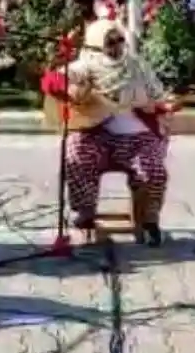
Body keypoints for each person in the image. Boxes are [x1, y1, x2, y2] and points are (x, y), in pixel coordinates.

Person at [42, 19, 172, 247]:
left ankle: (150, 220)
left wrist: (163, 106)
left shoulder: (137, 67)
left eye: (120, 40)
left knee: (152, 167)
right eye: (109, 42)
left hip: (138, 138)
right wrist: (69, 90)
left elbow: (160, 96)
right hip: (97, 136)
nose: (116, 46)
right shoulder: (85, 66)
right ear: (95, 44)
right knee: (76, 153)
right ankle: (85, 213)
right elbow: (51, 82)